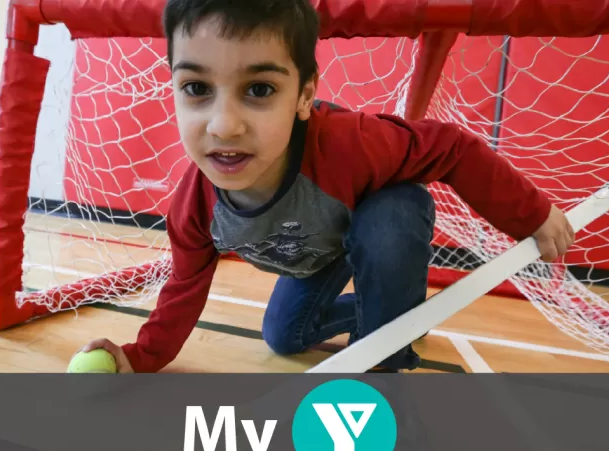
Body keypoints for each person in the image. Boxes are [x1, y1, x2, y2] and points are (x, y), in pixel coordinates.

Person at [78, 0, 575, 373]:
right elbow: (184, 290)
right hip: (318, 251)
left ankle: (388, 358)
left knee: (394, 213)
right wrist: (139, 358)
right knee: (283, 336)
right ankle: (399, 310)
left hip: (369, 221)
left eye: (259, 90)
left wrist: (528, 213)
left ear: (304, 96)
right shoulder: (193, 206)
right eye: (197, 88)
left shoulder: (346, 144)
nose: (223, 125)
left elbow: (450, 146)